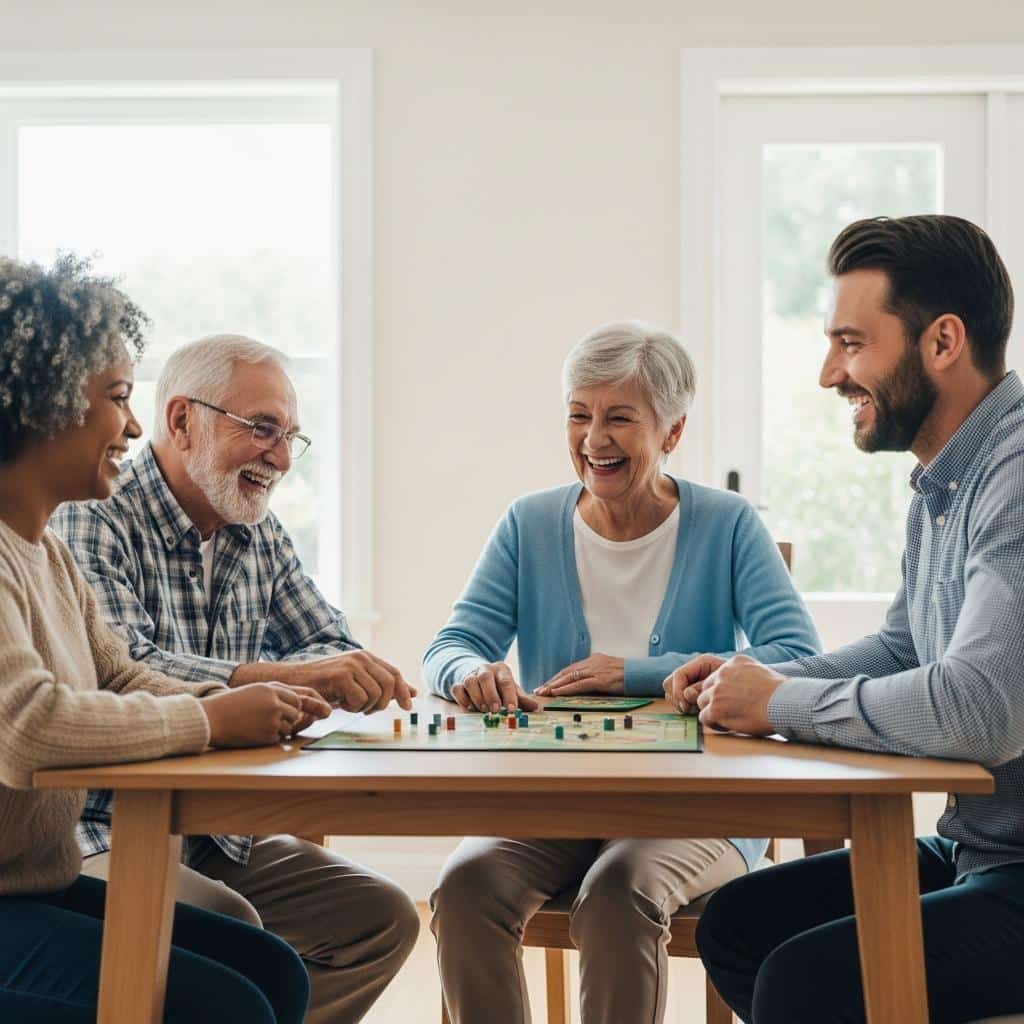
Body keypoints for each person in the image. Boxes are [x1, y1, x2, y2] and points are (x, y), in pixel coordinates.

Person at [665, 215, 1024, 1024]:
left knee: (808, 979)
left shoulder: (1016, 477)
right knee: (737, 924)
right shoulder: (945, 483)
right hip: (980, 852)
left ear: (942, 342)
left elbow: (982, 711)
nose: (831, 374)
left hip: (1018, 873)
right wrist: (754, 680)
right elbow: (903, 646)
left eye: (852, 344)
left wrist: (778, 705)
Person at [424, 320, 820, 1024]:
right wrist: (469, 671)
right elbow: (450, 644)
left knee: (618, 890)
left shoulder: (727, 525)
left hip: (699, 807)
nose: (592, 438)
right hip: (557, 798)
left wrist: (635, 672)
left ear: (671, 433)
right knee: (464, 885)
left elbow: (797, 658)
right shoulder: (529, 523)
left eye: (618, 418)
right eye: (579, 414)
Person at [51, 333, 420, 1024]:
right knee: (236, 927)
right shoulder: (91, 515)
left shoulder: (259, 531)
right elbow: (125, 669)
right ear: (182, 420)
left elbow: (327, 640)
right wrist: (293, 677)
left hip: (214, 829)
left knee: (381, 920)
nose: (280, 457)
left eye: (290, 437)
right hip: (98, 829)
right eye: (262, 429)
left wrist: (336, 673)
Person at [0, 253, 326, 1022]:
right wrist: (212, 718)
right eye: (118, 398)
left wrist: (235, 702)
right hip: (12, 895)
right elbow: (28, 726)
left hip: (32, 880)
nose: (136, 426)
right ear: (42, 405)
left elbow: (116, 677)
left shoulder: (42, 549)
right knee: (226, 1006)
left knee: (273, 973)